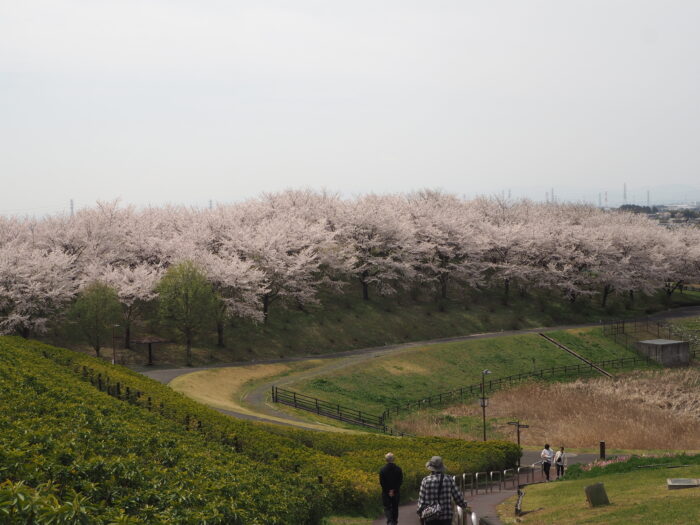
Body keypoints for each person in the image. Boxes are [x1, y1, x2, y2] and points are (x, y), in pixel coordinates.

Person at [417, 456, 468, 525]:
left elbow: (421, 502)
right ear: (441, 467)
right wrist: (464, 506)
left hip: (430, 517)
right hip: (446, 517)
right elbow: (458, 497)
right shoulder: (449, 479)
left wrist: (420, 514)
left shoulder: (425, 481)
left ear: (431, 468)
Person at [379, 452, 403, 525]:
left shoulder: (382, 470)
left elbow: (382, 483)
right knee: (395, 507)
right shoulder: (398, 469)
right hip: (396, 492)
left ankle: (390, 521)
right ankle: (395, 521)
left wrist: (388, 491)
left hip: (386, 492)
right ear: (394, 459)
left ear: (386, 460)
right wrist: (394, 490)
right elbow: (400, 481)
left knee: (387, 507)